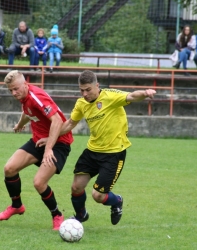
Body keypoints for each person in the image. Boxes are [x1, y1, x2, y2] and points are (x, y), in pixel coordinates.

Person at [37, 70, 156, 225]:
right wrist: (50, 138)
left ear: (97, 85)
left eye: (88, 89)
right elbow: (69, 124)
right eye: (82, 90)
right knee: (76, 187)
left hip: (114, 153)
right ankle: (81, 215)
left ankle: (117, 201)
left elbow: (132, 96)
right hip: (92, 151)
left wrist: (145, 93)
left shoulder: (110, 97)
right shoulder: (81, 103)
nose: (85, 94)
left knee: (98, 195)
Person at [0, 70, 73, 231]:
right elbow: (27, 112)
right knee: (9, 168)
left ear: (25, 84)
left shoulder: (37, 97)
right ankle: (17, 206)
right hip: (38, 141)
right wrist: (19, 124)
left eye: (16, 89)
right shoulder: (24, 96)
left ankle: (57, 215)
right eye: (10, 90)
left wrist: (49, 149)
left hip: (58, 143)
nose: (13, 93)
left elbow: (57, 121)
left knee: (39, 183)